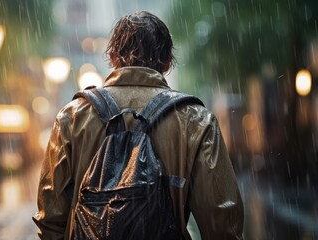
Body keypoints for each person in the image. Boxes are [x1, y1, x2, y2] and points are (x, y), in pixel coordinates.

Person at [33, 11, 244, 239]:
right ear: (167, 62)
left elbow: (51, 220)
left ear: (113, 58)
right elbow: (222, 223)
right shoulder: (196, 121)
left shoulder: (72, 118)